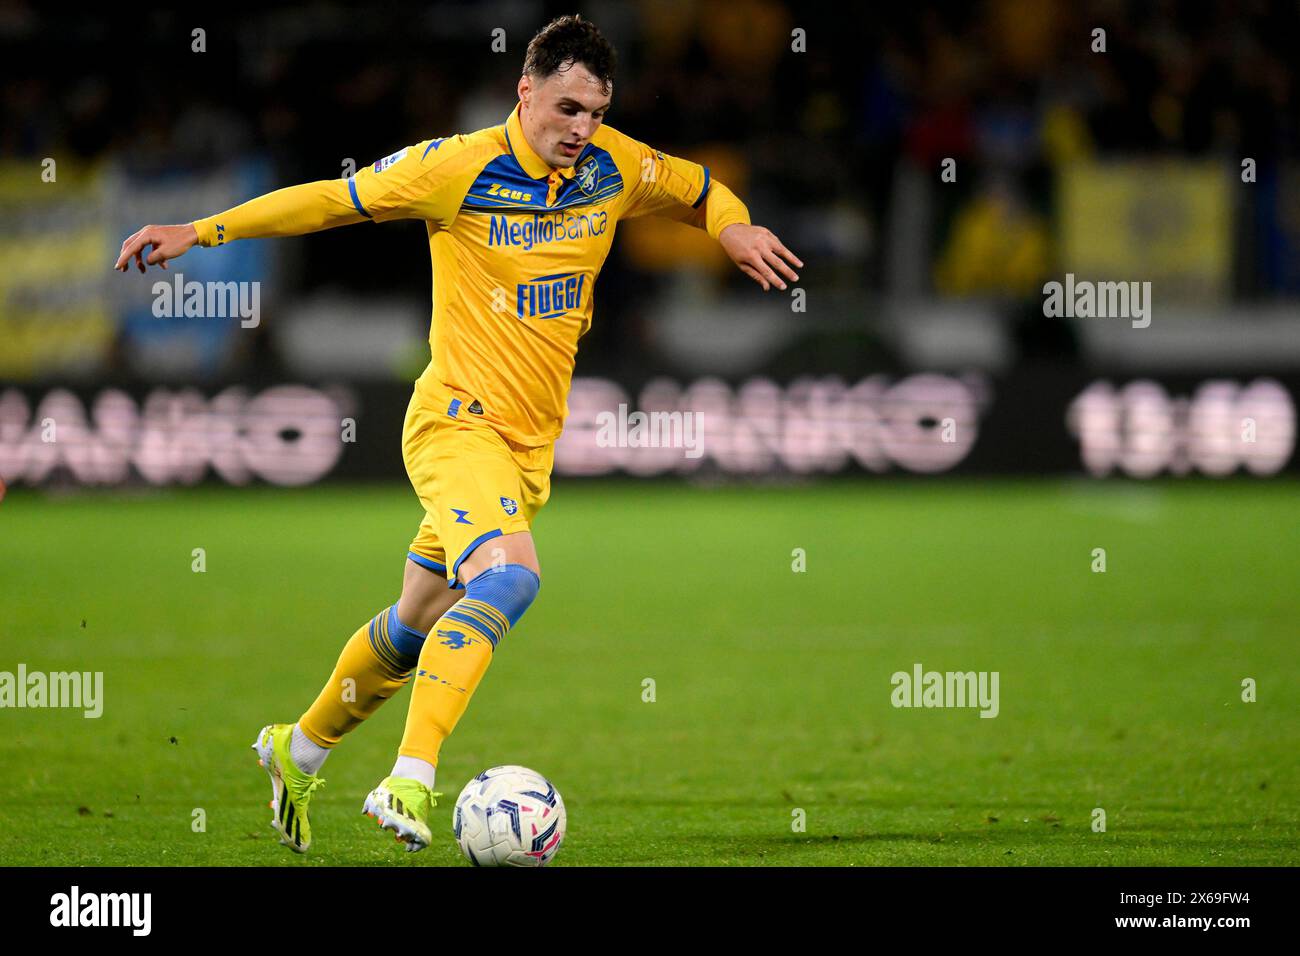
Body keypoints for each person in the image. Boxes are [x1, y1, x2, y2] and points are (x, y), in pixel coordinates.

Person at [115, 14, 801, 854]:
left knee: (413, 624)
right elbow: (332, 202)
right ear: (526, 91)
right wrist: (203, 230)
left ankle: (295, 750)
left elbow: (699, 190)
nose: (581, 129)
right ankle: (411, 778)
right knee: (510, 583)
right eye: (567, 108)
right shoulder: (456, 167)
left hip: (525, 449)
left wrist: (730, 227)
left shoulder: (614, 163)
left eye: (595, 111)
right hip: (454, 424)